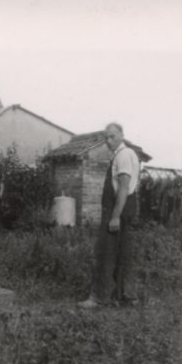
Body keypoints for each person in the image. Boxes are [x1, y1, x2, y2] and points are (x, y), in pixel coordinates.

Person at [78, 123, 140, 308]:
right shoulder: (123, 155)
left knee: (106, 253)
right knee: (122, 254)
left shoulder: (123, 155)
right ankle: (125, 297)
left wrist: (114, 216)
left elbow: (123, 187)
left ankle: (99, 298)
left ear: (121, 135)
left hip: (117, 210)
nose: (108, 141)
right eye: (106, 137)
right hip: (123, 209)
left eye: (112, 136)